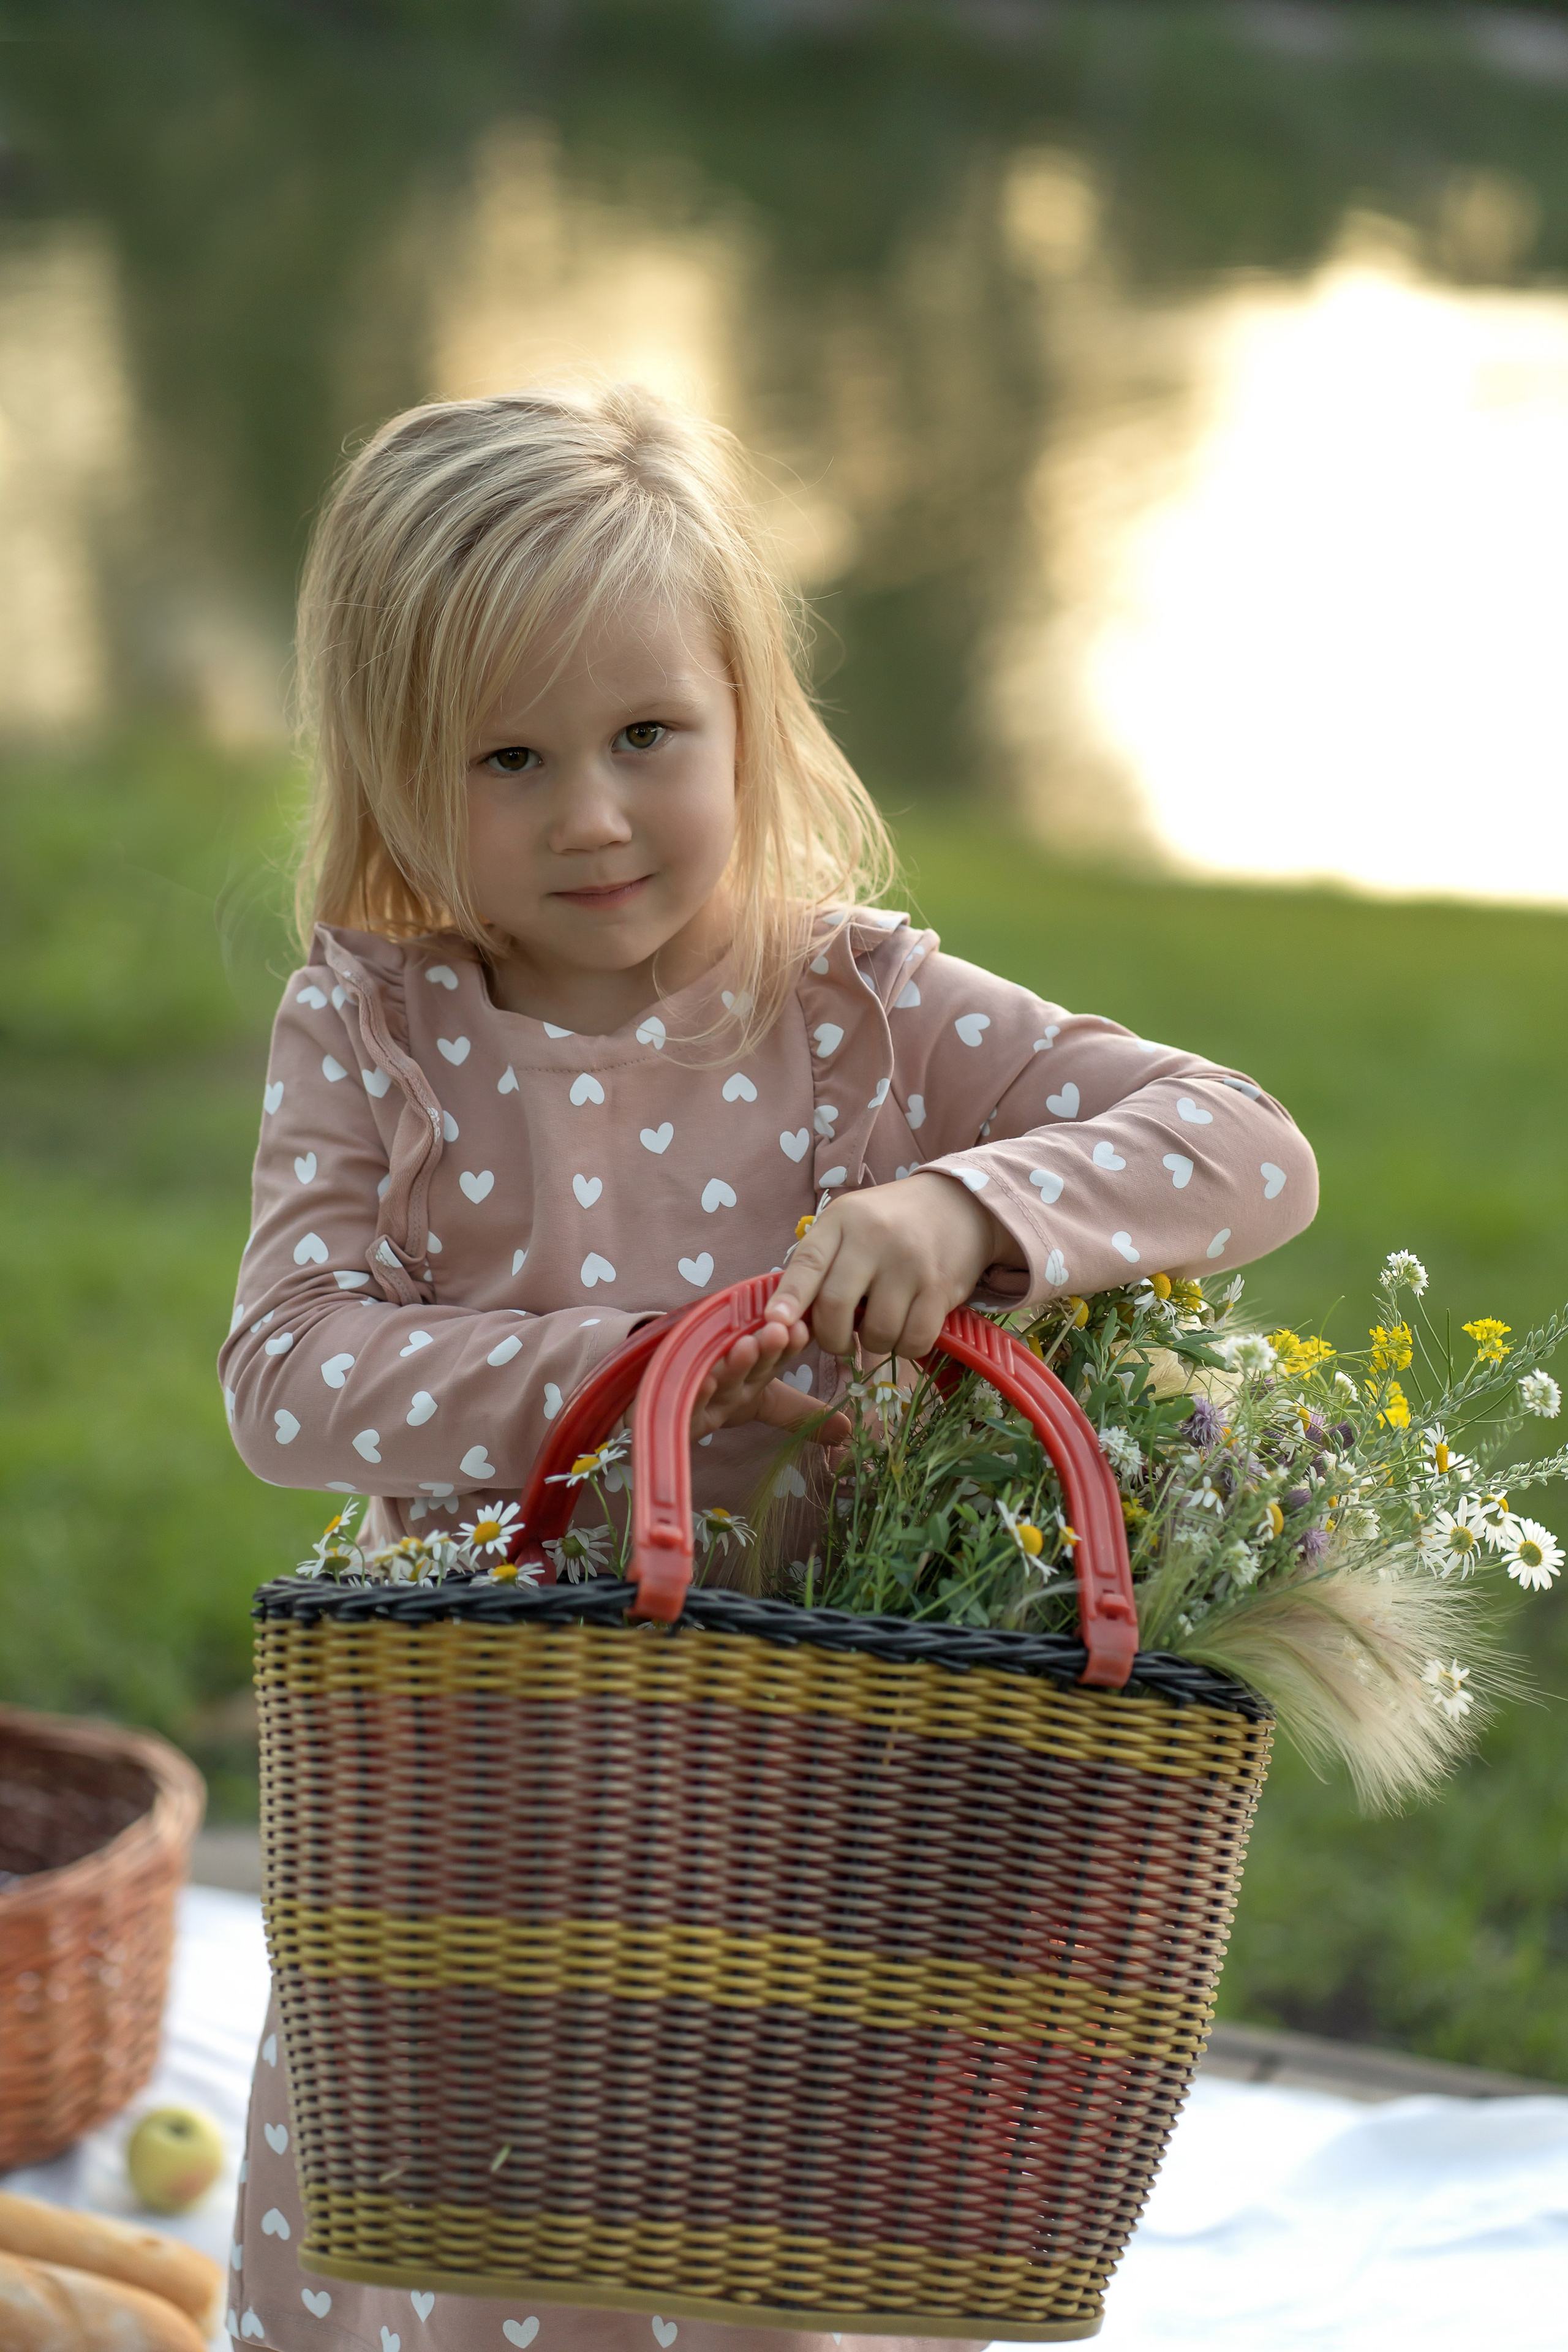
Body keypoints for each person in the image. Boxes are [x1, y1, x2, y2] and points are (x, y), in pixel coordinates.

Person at [219, 380, 1318, 2352]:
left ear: (746, 712)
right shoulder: (377, 1026)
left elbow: (1249, 1148)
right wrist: (634, 1377)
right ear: (393, 772)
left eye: (648, 735)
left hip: (801, 1803)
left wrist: (974, 1205)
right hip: (482, 1787)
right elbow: (288, 1376)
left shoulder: (858, 1007)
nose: (592, 813)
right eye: (509, 758)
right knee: (478, 2227)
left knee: (763, 2237)